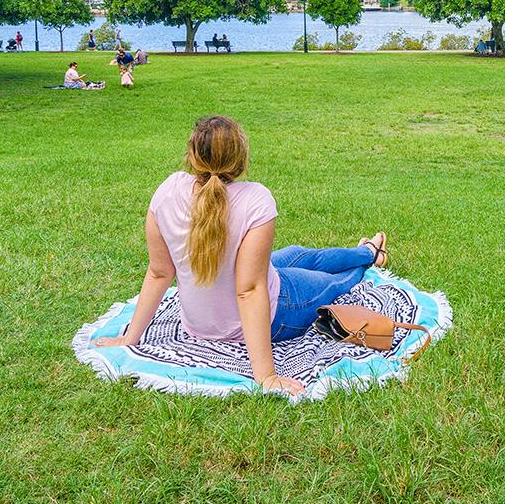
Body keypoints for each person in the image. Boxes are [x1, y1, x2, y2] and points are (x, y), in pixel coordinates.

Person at [93, 115, 388, 396]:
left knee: (298, 254)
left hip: (198, 323)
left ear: (192, 156)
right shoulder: (255, 198)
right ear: (240, 159)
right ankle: (368, 259)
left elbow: (159, 273)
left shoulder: (168, 190)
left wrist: (129, 338)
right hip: (273, 313)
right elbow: (249, 290)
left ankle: (365, 250)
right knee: (329, 284)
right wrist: (266, 377)